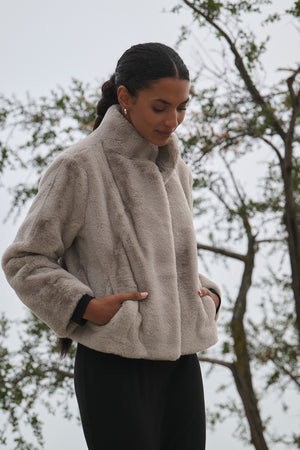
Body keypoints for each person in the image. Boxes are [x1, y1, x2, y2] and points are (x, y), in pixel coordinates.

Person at [2, 42, 221, 450]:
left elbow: (171, 258)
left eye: (182, 107)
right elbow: (24, 260)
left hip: (180, 364)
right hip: (113, 362)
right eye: (160, 107)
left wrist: (207, 295)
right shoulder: (78, 167)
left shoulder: (178, 173)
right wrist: (84, 307)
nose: (173, 120)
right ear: (125, 98)